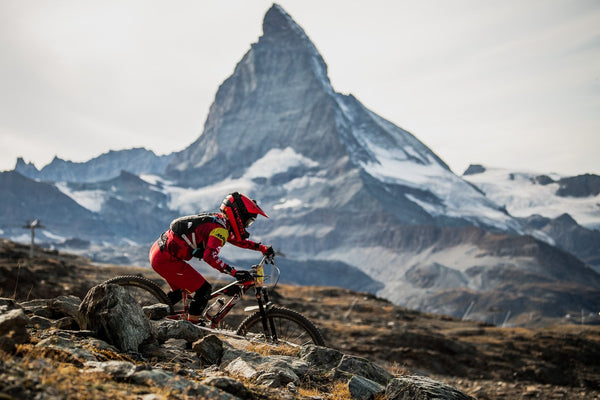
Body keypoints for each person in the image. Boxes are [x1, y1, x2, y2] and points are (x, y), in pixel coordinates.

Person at [149, 192, 274, 323]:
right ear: (239, 216)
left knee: (178, 292)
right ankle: (191, 330)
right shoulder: (221, 229)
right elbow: (210, 257)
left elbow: (237, 240)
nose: (246, 226)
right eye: (247, 222)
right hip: (166, 259)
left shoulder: (221, 221)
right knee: (204, 290)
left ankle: (150, 316)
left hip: (160, 252)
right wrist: (233, 272)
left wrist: (261, 248)